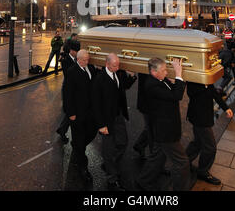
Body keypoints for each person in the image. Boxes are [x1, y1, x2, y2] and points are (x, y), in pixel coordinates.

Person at [135, 58, 192, 191]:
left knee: (157, 157)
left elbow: (173, 90)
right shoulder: (152, 85)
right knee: (182, 162)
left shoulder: (160, 80)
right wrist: (178, 73)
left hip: (165, 128)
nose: (166, 73)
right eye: (164, 70)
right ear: (154, 72)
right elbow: (176, 95)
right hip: (165, 131)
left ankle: (143, 180)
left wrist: (177, 81)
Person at [92, 53, 137, 191]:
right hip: (106, 120)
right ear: (107, 64)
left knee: (123, 142)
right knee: (108, 149)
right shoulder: (100, 79)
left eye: (118, 65)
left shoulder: (119, 73)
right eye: (114, 65)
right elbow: (96, 104)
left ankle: (109, 163)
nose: (117, 68)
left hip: (118, 116)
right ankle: (112, 178)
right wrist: (101, 125)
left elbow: (124, 86)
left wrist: (133, 76)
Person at [186, 82, 233, 185]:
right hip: (198, 117)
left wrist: (226, 107)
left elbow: (214, 93)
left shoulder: (207, 79)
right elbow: (191, 93)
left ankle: (185, 161)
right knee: (210, 147)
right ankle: (202, 171)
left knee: (198, 142)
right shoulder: (194, 80)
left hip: (205, 116)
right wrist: (205, 84)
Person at [63, 49, 97, 183]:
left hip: (89, 112)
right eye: (84, 60)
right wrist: (70, 113)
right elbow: (67, 94)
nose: (87, 62)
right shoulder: (72, 72)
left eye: (88, 60)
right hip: (77, 114)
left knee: (90, 133)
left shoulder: (90, 69)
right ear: (78, 59)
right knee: (80, 140)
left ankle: (77, 146)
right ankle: (83, 168)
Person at [56, 39, 80, 144]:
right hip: (68, 90)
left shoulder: (74, 58)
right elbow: (69, 74)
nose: (77, 53)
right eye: (76, 51)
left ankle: (62, 129)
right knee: (71, 112)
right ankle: (63, 130)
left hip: (74, 89)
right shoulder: (65, 60)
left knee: (71, 112)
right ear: (71, 51)